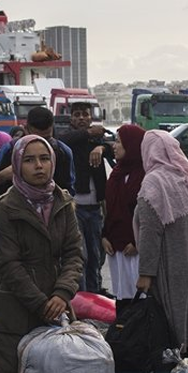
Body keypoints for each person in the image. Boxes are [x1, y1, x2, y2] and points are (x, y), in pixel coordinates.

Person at [0, 135, 84, 373]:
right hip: (16, 312)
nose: (39, 166)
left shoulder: (62, 202)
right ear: (17, 165)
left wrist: (62, 294)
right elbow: (9, 266)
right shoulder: (6, 208)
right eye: (30, 160)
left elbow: (74, 253)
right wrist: (43, 302)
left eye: (44, 158)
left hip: (57, 307)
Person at [134, 130, 188, 354]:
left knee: (174, 338)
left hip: (173, 272)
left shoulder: (153, 183)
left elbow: (150, 234)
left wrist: (145, 274)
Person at [57, 102, 112, 294]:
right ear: (71, 118)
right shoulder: (66, 139)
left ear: (91, 117)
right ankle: (80, 297)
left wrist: (101, 149)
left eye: (85, 115)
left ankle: (95, 293)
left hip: (96, 209)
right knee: (81, 256)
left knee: (96, 255)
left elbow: (114, 148)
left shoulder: (97, 139)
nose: (81, 118)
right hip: (75, 209)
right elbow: (61, 139)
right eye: (77, 115)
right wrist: (89, 134)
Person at [0, 106, 73, 200]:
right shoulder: (10, 149)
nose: (40, 144)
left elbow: (70, 192)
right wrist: (2, 176)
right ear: (25, 129)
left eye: (44, 158)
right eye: (29, 160)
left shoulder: (63, 152)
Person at [102, 125, 146, 307]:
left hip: (136, 250)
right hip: (116, 247)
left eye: (119, 142)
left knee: (140, 300)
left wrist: (138, 243)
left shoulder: (145, 175)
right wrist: (104, 236)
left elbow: (148, 217)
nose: (114, 145)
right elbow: (110, 210)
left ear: (132, 145)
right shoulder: (116, 175)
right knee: (122, 298)